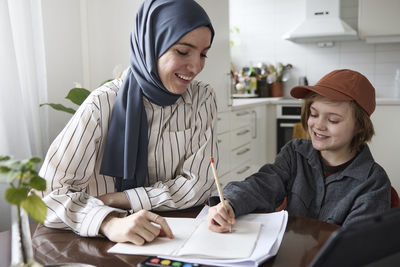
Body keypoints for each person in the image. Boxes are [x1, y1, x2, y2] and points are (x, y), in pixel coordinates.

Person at [39, 0, 218, 245]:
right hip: (103, 245)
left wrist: (117, 199)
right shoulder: (102, 105)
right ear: (150, 45)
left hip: (176, 239)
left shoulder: (202, 99)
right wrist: (108, 222)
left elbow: (198, 185)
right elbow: (47, 196)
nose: (196, 66)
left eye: (204, 54)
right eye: (183, 51)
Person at [207, 69, 391, 232]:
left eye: (333, 120)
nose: (318, 125)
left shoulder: (373, 182)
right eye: (313, 114)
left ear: (360, 126)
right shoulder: (295, 153)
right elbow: (262, 185)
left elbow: (355, 246)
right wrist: (229, 203)